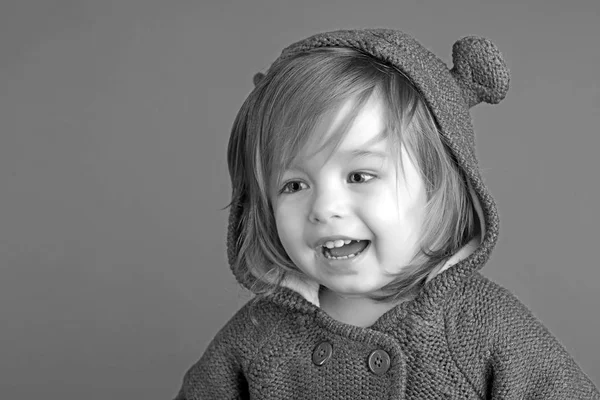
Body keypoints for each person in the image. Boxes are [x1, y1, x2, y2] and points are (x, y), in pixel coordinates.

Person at [173, 29, 600, 399]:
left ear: (438, 187)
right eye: (294, 185)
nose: (323, 209)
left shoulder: (481, 325)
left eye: (360, 175)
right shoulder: (259, 336)